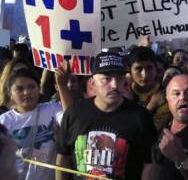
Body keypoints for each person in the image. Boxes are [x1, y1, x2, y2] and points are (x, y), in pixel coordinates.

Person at [56, 52, 157, 180]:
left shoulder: (140, 117)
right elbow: (63, 158)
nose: (115, 85)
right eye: (107, 78)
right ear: (93, 83)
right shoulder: (74, 113)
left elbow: (149, 164)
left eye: (119, 78)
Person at [0, 64, 71, 180]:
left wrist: (62, 85)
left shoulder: (52, 109)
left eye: (31, 87)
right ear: (10, 94)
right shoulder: (3, 121)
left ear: (39, 89)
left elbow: (71, 119)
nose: (26, 92)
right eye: (19, 89)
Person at [128, 46, 171, 130]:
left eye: (149, 68)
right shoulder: (123, 92)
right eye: (138, 69)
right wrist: (152, 105)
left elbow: (151, 132)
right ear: (130, 70)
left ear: (156, 69)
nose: (144, 75)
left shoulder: (164, 96)